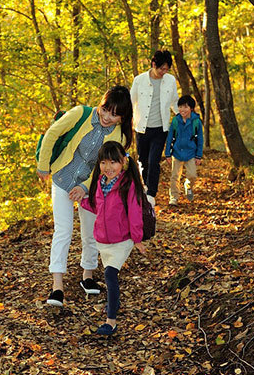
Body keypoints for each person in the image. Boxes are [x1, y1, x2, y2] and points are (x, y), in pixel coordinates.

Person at [37, 86, 133, 307]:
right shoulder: (81, 113)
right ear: (101, 103)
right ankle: (57, 287)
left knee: (90, 232)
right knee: (63, 230)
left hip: (90, 186)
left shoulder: (119, 135)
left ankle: (87, 276)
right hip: (62, 177)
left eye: (115, 114)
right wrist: (43, 165)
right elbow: (52, 133)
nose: (107, 117)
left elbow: (109, 167)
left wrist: (85, 186)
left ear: (122, 117)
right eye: (106, 109)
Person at [81, 141, 147, 335]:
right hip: (103, 241)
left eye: (113, 162)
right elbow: (96, 206)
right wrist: (82, 201)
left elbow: (135, 212)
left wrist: (137, 239)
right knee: (110, 277)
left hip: (122, 240)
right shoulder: (100, 183)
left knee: (110, 275)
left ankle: (111, 321)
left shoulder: (128, 184)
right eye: (103, 163)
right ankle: (114, 303)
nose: (108, 167)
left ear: (123, 162)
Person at [130, 50, 179, 206]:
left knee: (154, 161)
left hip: (161, 128)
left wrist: (185, 117)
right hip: (142, 128)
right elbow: (131, 102)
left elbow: (174, 102)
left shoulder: (170, 81)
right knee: (143, 161)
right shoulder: (139, 81)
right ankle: (144, 187)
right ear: (153, 65)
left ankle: (151, 193)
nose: (164, 72)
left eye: (166, 69)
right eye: (161, 69)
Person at [165, 95, 203, 206]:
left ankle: (188, 186)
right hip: (177, 153)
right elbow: (170, 137)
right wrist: (168, 153)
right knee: (175, 176)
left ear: (191, 108)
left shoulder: (196, 122)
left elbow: (200, 139)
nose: (182, 110)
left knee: (192, 175)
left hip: (191, 153)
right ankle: (174, 197)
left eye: (185, 107)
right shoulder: (176, 121)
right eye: (180, 107)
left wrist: (198, 156)